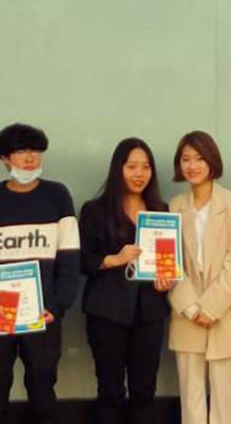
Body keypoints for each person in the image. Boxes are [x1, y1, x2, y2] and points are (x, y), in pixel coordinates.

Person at [0, 123, 81, 424]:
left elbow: (70, 260)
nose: (30, 158)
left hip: (42, 316)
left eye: (35, 151)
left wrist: (57, 306)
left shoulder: (57, 196)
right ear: (5, 158)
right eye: (21, 151)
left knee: (42, 393)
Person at [79, 138, 173, 424]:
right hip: (107, 311)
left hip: (150, 313)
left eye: (146, 167)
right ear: (118, 169)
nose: (139, 174)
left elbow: (168, 261)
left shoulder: (161, 210)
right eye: (132, 166)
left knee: (144, 392)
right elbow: (81, 260)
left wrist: (168, 279)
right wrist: (113, 259)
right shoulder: (95, 210)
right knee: (111, 391)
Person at [167, 131, 231, 424]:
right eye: (186, 159)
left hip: (226, 312)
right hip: (186, 313)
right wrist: (193, 308)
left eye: (200, 158)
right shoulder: (174, 206)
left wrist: (211, 307)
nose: (192, 165)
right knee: (190, 396)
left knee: (224, 397)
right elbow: (170, 261)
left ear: (212, 161)